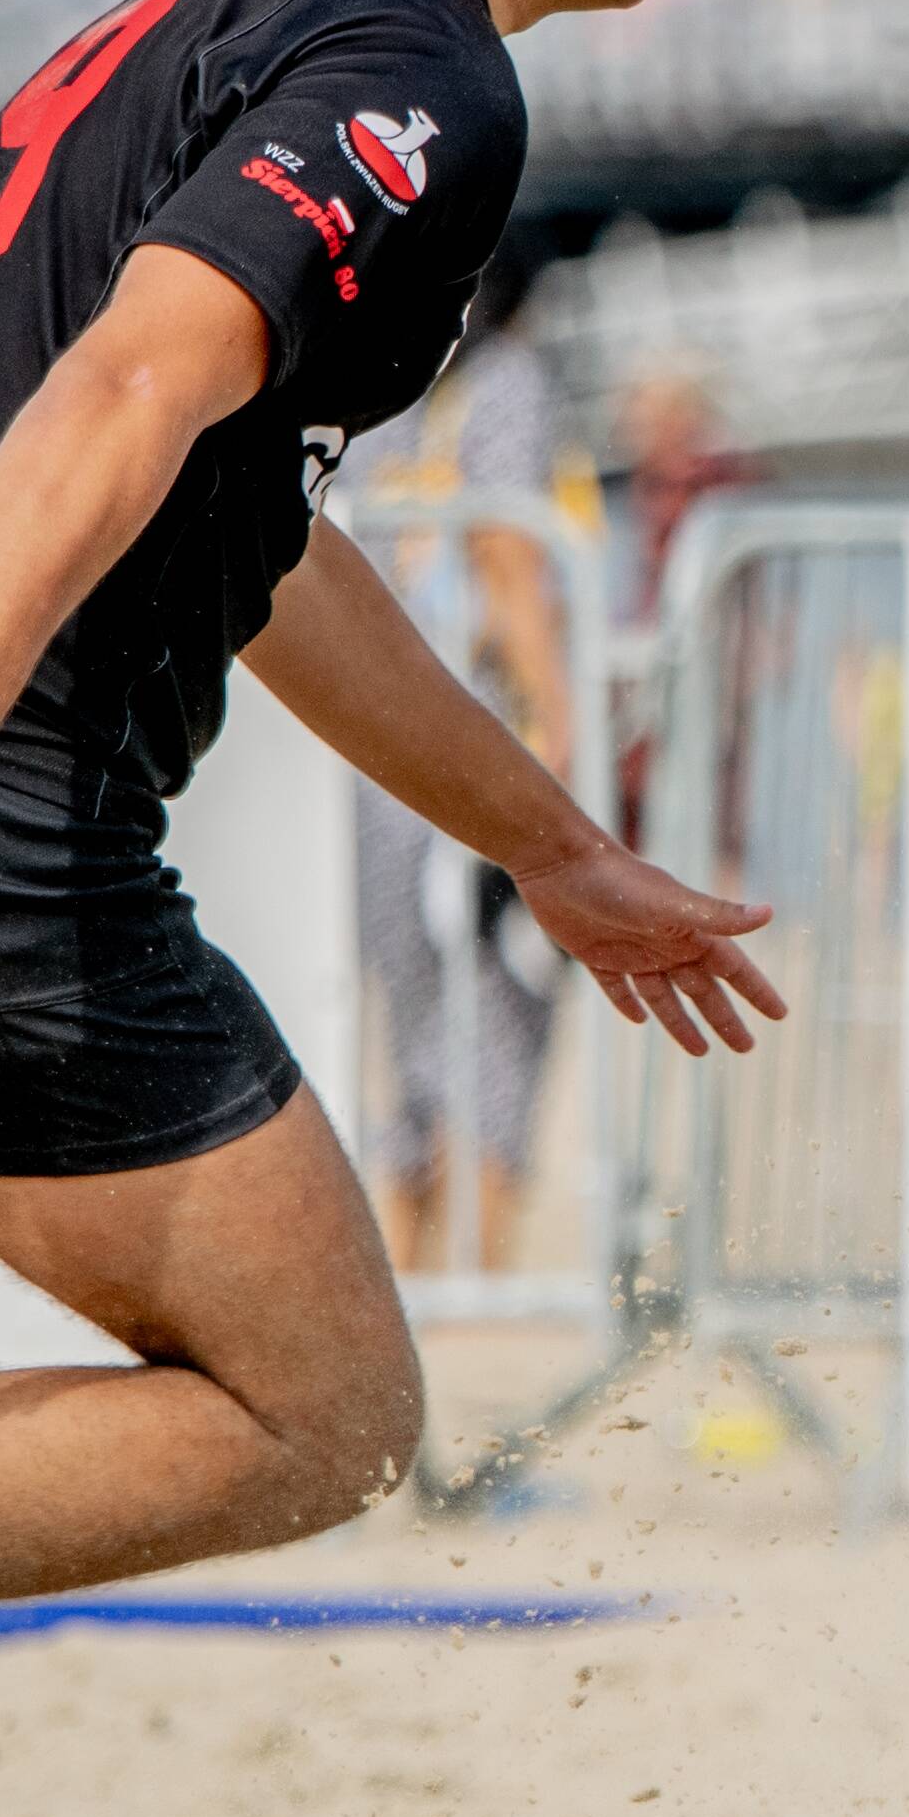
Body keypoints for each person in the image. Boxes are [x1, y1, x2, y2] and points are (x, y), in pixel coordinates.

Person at [0, 0, 786, 1604]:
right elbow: (124, 391)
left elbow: (250, 540)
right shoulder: (424, 66)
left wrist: (557, 847)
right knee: (321, 1409)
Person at [351, 244, 585, 1278]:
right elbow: (510, 556)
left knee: (405, 1012)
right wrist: (561, 731)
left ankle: (407, 1266)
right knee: (502, 1002)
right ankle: (486, 1279)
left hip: (361, 731)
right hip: (470, 725)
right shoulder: (506, 382)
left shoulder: (366, 373)